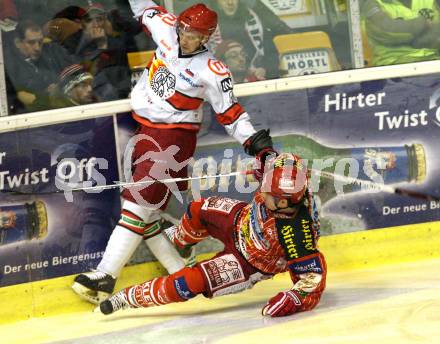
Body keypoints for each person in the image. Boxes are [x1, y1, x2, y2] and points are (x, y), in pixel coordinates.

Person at [71, 0, 276, 304]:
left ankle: (105, 275)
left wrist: (256, 145)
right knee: (157, 210)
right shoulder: (168, 29)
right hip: (146, 132)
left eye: (192, 34)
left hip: (172, 140)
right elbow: (144, 8)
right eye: (183, 29)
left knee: (136, 207)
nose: (184, 36)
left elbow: (231, 113)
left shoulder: (212, 71)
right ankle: (180, 266)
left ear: (206, 38)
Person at [97, 153, 326, 318]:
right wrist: (264, 162)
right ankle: (183, 244)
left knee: (188, 283)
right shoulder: (287, 190)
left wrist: (294, 300)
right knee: (197, 209)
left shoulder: (297, 233)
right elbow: (284, 161)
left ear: (283, 202)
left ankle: (126, 299)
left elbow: (312, 280)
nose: (261, 190)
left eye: (267, 190)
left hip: (247, 263)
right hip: (239, 220)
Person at [61, 3, 131, 100]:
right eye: (89, 20)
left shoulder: (118, 44)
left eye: (99, 19)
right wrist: (90, 43)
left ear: (105, 22)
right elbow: (76, 70)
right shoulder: (72, 43)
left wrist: (102, 45)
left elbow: (120, 75)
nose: (95, 25)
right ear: (81, 24)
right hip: (82, 95)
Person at [3, 19, 76, 113]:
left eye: (40, 42)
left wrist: (60, 87)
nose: (37, 48)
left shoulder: (51, 54)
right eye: (31, 43)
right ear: (18, 43)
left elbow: (74, 75)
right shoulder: (8, 66)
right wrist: (46, 93)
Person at [209, 0, 291, 80]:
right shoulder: (207, 25)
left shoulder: (256, 21)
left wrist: (265, 69)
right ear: (217, 2)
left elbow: (271, 52)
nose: (230, 2)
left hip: (256, 81)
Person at [362, 0, 440, 66]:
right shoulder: (372, 3)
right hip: (393, 67)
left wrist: (405, 29)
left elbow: (438, 31)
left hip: (433, 61)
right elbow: (387, 32)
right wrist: (423, 24)